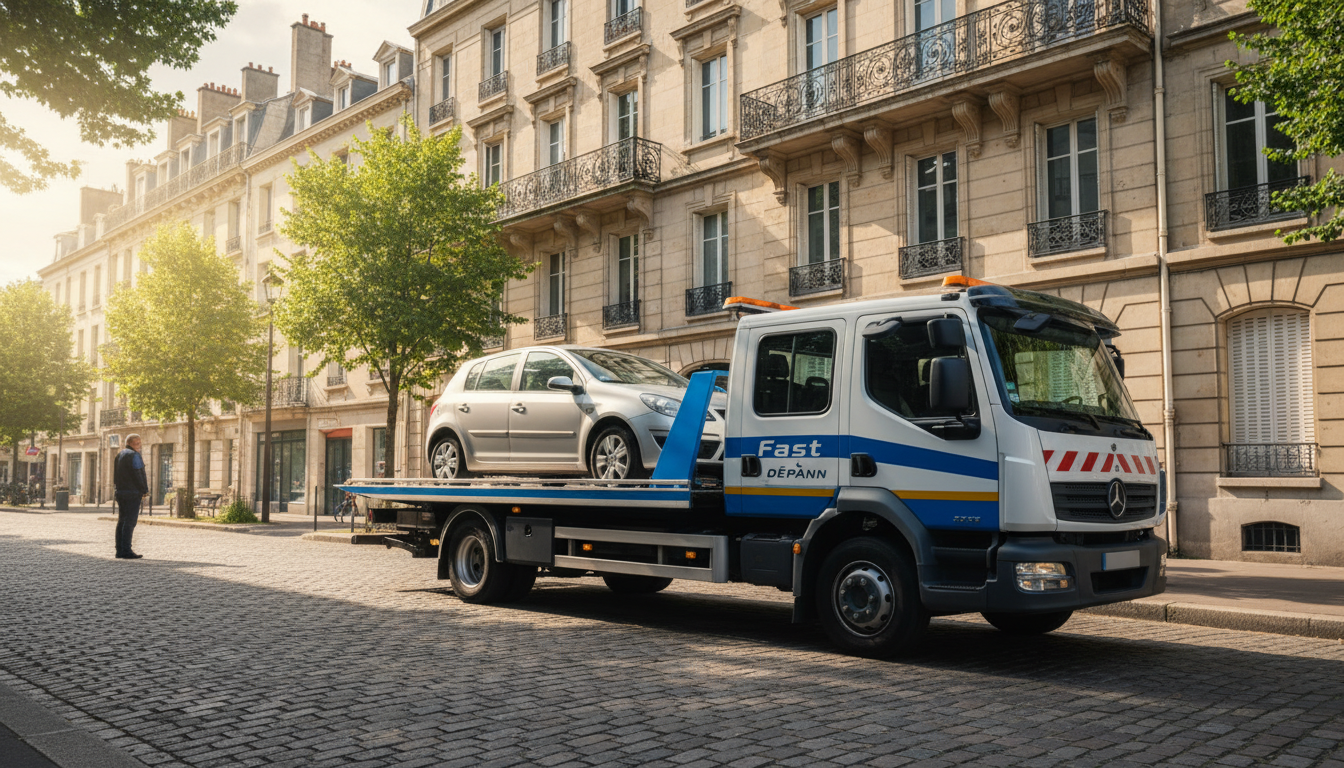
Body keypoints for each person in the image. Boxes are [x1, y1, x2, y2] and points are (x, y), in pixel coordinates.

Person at [113, 434, 149, 559]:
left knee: (122, 520)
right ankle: (127, 550)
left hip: (120, 492)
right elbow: (138, 473)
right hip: (132, 493)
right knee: (130, 521)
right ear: (132, 443)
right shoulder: (134, 455)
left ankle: (119, 550)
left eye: (140, 443)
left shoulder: (120, 454)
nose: (139, 446)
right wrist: (144, 490)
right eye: (137, 443)